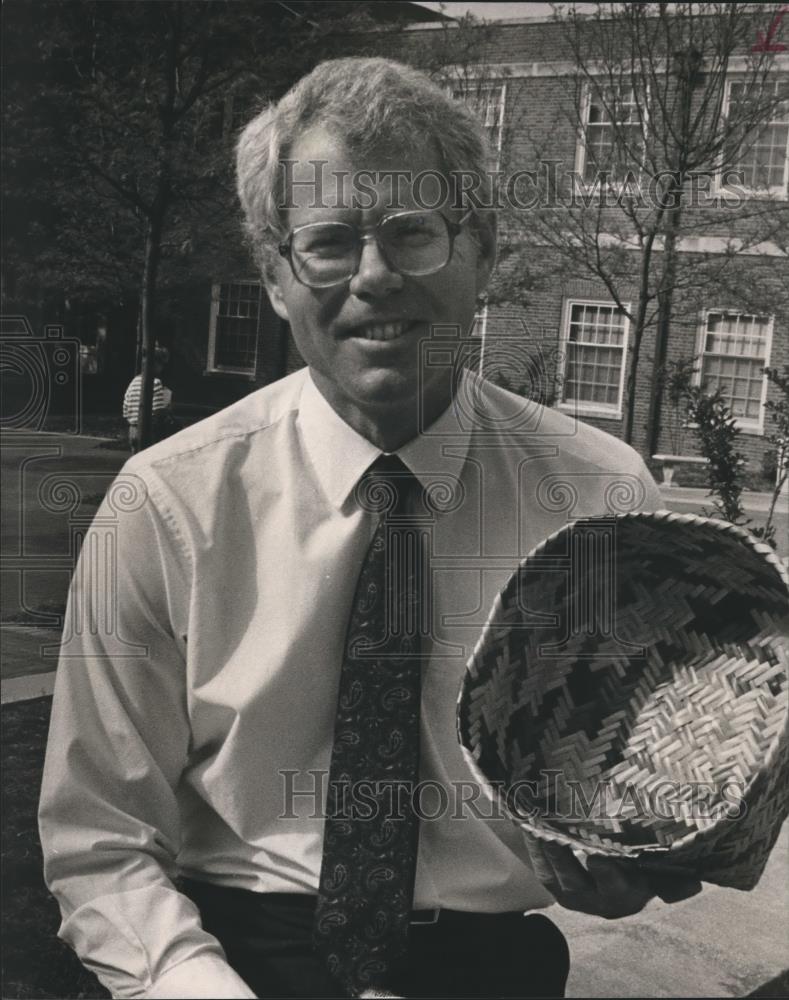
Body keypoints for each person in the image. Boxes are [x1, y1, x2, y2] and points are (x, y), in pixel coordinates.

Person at [39, 58, 700, 1000]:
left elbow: (635, 788)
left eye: (412, 234)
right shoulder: (165, 500)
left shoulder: (603, 497)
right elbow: (97, 837)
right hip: (218, 960)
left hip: (488, 969)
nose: (376, 277)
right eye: (329, 242)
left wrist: (631, 854)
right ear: (274, 276)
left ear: (482, 252)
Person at [122, 345, 175, 453]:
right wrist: (168, 409)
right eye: (162, 364)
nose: (163, 368)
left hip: (132, 429)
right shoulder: (156, 383)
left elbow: (125, 408)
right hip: (148, 430)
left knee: (135, 460)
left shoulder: (134, 382)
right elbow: (157, 410)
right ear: (156, 364)